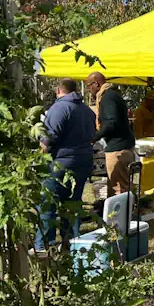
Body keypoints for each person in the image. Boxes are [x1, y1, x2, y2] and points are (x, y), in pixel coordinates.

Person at [35, 78, 96, 252]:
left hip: (61, 163)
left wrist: (38, 161)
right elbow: (93, 135)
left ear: (58, 91)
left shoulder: (59, 108)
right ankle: (72, 243)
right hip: (83, 161)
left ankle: (45, 246)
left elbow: (48, 138)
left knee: (48, 202)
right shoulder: (86, 110)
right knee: (73, 202)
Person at [85, 72, 136, 195]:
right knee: (121, 185)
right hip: (122, 145)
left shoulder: (108, 97)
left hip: (118, 148)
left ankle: (121, 214)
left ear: (96, 84)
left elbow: (111, 122)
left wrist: (94, 137)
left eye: (89, 85)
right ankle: (123, 212)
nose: (89, 89)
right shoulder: (113, 95)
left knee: (118, 188)